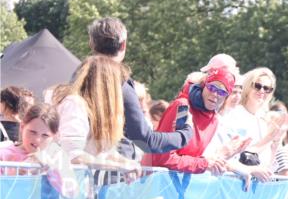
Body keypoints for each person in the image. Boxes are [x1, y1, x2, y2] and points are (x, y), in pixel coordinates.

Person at [86, 17, 192, 155]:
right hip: (116, 171)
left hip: (82, 169)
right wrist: (185, 134)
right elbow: (147, 141)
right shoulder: (122, 86)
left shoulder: (79, 80)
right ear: (123, 45)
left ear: (91, 44)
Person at [55, 56, 142, 175]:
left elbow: (105, 153)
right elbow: (74, 156)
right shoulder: (75, 104)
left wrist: (129, 163)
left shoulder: (98, 113)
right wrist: (120, 166)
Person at [145, 67, 240, 174]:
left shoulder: (214, 120)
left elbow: (198, 159)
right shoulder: (183, 108)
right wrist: (204, 164)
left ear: (226, 97)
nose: (215, 94)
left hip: (184, 185)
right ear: (204, 85)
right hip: (159, 182)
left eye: (222, 92)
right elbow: (163, 158)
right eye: (212, 87)